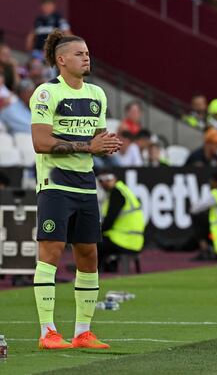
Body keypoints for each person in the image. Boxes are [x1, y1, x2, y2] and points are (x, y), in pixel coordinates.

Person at [30, 30, 122, 350]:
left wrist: (106, 145)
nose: (87, 57)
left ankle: (83, 332)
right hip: (55, 184)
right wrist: (89, 145)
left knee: (88, 256)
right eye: (80, 53)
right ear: (61, 60)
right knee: (51, 253)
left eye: (87, 52)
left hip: (85, 185)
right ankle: (47, 332)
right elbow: (41, 142)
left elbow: (96, 140)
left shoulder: (98, 94)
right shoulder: (46, 93)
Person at [97, 171, 145, 271]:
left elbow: (109, 222)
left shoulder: (117, 193)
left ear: (115, 178)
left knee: (91, 242)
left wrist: (97, 232)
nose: (104, 183)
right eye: (101, 180)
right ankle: (106, 266)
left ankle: (90, 269)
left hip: (123, 240)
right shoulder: (124, 190)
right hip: (135, 240)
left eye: (108, 179)